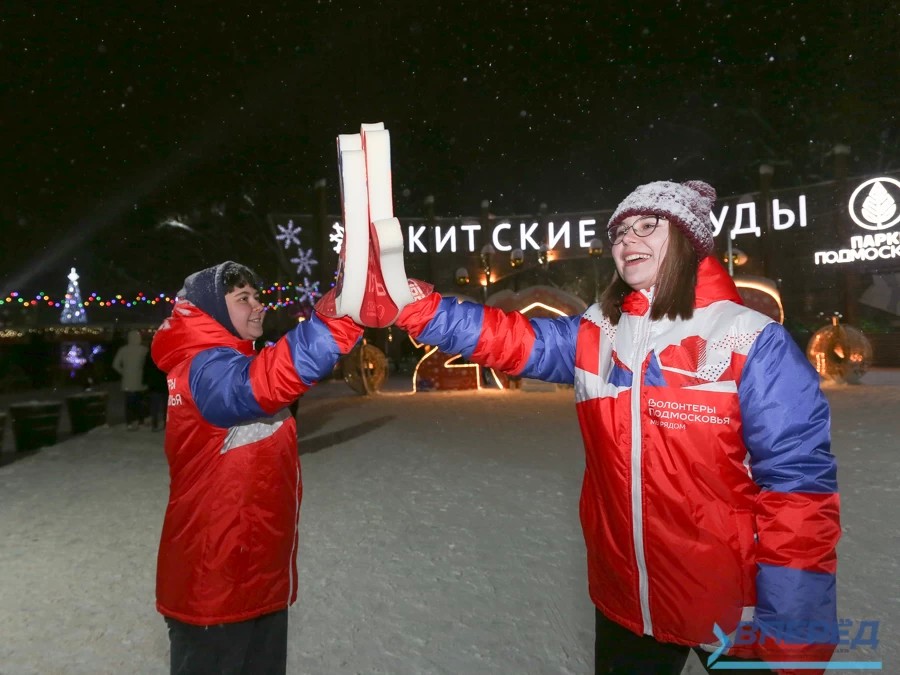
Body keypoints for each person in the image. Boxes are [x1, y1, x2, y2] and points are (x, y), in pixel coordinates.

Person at [387, 181, 841, 674]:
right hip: (627, 597)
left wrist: (793, 631)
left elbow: (799, 492)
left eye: (648, 226)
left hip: (732, 601)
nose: (628, 241)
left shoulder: (749, 339)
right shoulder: (596, 332)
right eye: (620, 232)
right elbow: (510, 339)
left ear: (689, 239)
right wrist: (414, 307)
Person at [150, 261, 361, 675]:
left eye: (257, 296)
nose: (258, 306)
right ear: (210, 312)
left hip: (251, 578)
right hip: (215, 587)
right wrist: (337, 324)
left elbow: (272, 375)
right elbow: (256, 385)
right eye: (242, 299)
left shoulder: (229, 362)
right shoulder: (204, 367)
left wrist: (341, 304)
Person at [112, 329, 148, 430]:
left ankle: (130, 422)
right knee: (139, 402)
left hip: (127, 381)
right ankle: (140, 421)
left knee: (129, 403)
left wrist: (123, 372)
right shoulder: (143, 350)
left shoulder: (123, 350)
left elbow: (115, 365)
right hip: (140, 380)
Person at [142, 353, 168, 431]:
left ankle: (154, 424)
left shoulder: (150, 356)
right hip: (164, 384)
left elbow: (146, 370)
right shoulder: (166, 355)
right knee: (166, 406)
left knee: (154, 405)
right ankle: (166, 424)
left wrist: (145, 381)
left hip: (154, 384)